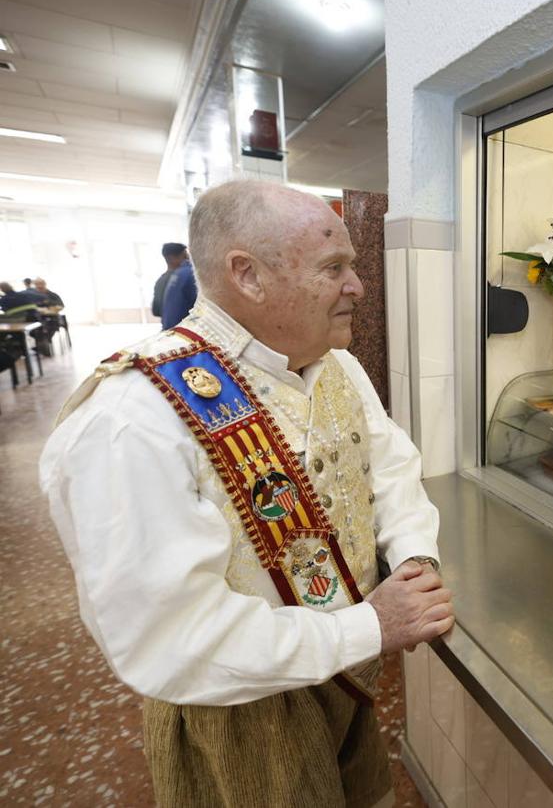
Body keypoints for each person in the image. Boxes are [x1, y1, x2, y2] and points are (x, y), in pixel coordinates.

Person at [40, 179, 454, 807]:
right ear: (248, 275)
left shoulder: (334, 362)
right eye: (334, 267)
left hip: (345, 682)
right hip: (240, 715)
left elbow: (391, 468)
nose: (358, 287)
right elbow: (172, 636)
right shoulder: (131, 418)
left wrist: (415, 561)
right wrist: (368, 627)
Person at [160, 244, 198, 329]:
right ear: (184, 254)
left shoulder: (177, 273)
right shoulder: (191, 273)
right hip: (182, 330)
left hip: (170, 329)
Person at [152, 242, 188, 318]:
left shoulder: (160, 281)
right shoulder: (186, 277)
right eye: (185, 256)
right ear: (171, 258)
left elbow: (156, 311)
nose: (188, 259)